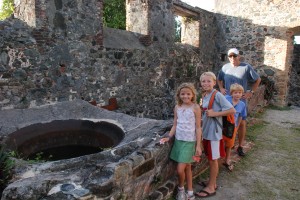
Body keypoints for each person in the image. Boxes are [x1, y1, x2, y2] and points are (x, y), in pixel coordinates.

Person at [195, 72, 235, 198]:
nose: (206, 83)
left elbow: (232, 110)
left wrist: (215, 114)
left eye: (208, 81)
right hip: (207, 132)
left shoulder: (216, 95)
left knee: (213, 160)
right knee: (211, 158)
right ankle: (212, 182)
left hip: (214, 134)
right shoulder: (205, 95)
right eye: (203, 81)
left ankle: (211, 187)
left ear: (214, 82)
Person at [160, 83, 202, 200]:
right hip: (179, 140)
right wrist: (169, 137)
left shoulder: (196, 108)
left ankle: (180, 189)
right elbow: (175, 124)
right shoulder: (177, 107)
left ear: (193, 95)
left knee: (180, 169)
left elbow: (198, 128)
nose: (185, 96)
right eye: (183, 94)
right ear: (179, 95)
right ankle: (190, 191)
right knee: (187, 166)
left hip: (189, 142)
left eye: (188, 94)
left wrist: (198, 146)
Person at [217, 48, 261, 156]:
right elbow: (219, 79)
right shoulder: (225, 67)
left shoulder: (246, 67)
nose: (232, 58)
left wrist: (251, 92)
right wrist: (221, 88)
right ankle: (227, 145)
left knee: (241, 123)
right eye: (230, 56)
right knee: (226, 122)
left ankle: (240, 146)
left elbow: (257, 79)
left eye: (234, 56)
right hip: (227, 100)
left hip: (241, 100)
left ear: (239, 56)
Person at [223, 83, 247, 171]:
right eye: (235, 92)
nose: (237, 94)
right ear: (231, 93)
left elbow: (241, 116)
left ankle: (227, 158)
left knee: (229, 144)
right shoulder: (226, 99)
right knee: (221, 142)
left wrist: (237, 127)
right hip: (223, 125)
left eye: (240, 93)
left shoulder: (242, 104)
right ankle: (220, 157)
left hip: (233, 126)